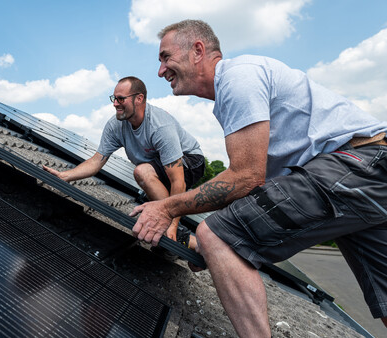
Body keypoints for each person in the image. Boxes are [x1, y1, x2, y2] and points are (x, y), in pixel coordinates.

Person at [130, 19, 387, 336]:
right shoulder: (239, 86)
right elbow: (257, 185)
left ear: (197, 50)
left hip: (351, 166)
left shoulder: (237, 78)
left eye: (165, 57)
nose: (160, 70)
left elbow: (245, 177)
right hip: (371, 173)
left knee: (217, 235)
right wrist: (216, 251)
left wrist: (168, 208)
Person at [43, 76, 204, 241]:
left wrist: (173, 225)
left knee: (142, 173)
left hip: (190, 160)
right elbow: (96, 161)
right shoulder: (116, 126)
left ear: (139, 99)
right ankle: (182, 239)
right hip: (159, 167)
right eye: (114, 98)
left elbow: (178, 181)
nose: (115, 104)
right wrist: (65, 176)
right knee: (145, 176)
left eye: (121, 99)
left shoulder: (160, 127)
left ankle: (174, 233)